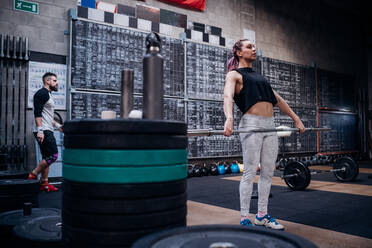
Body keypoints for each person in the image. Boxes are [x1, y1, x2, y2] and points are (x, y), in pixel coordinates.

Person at [223, 39, 305, 230]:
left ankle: (262, 215)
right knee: (250, 172)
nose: (254, 49)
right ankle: (244, 217)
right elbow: (227, 95)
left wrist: (296, 118)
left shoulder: (260, 77)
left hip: (270, 125)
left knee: (268, 172)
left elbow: (277, 99)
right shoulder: (234, 75)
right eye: (249, 47)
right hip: (251, 124)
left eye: (254, 46)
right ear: (238, 52)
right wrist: (229, 118)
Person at [28, 72, 63, 192]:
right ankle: (33, 174)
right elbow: (37, 113)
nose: (56, 83)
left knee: (46, 157)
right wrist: (40, 130)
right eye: (54, 80)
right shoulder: (42, 93)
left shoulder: (47, 94)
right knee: (53, 156)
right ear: (47, 81)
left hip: (47, 128)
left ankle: (44, 183)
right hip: (44, 130)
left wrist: (58, 125)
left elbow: (47, 115)